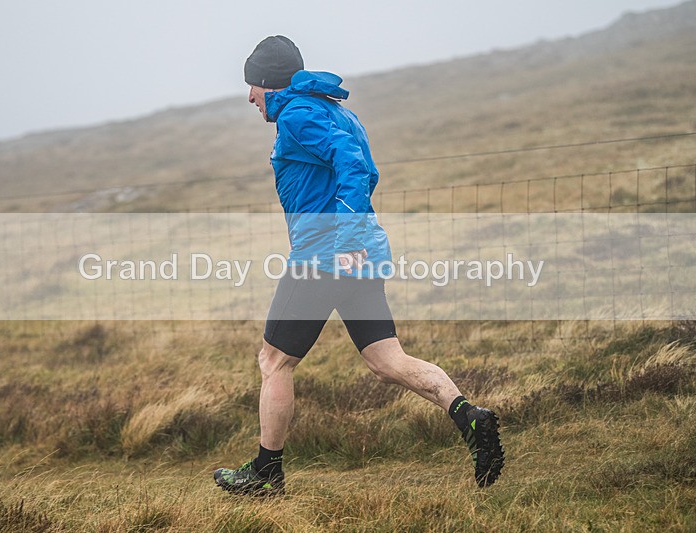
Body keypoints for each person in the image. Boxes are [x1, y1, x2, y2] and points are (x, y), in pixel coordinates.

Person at [214, 36, 504, 495]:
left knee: (274, 361)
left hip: (325, 256)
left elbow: (351, 164)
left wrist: (344, 239)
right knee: (387, 360)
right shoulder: (336, 110)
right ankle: (470, 417)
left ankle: (266, 474)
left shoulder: (296, 114)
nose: (249, 96)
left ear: (269, 84)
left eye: (252, 86)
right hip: (360, 254)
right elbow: (367, 171)